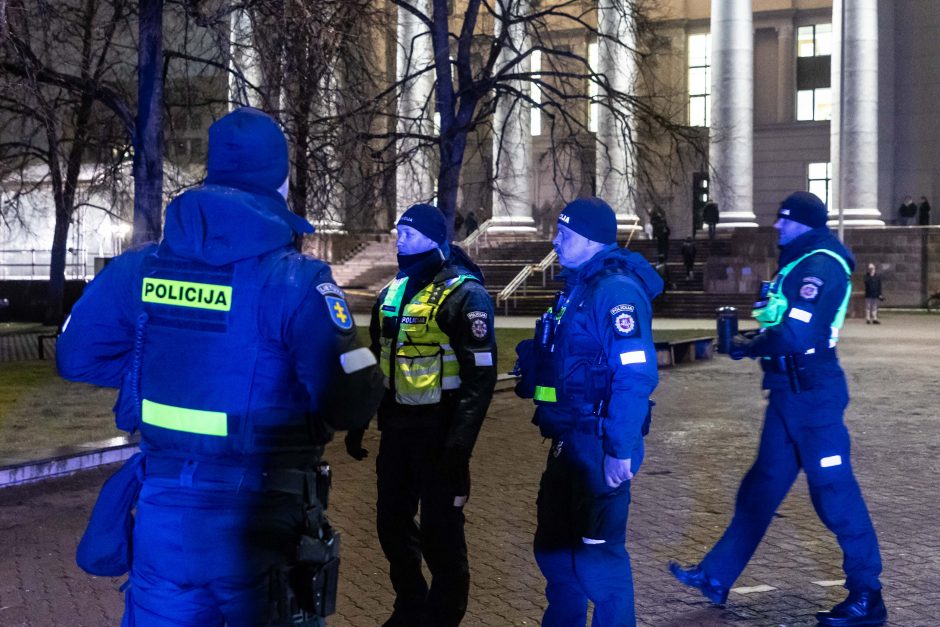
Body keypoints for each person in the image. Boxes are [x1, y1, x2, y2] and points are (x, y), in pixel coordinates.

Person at [57, 107, 384, 626]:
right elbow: (353, 400)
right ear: (280, 180)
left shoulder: (141, 267)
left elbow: (76, 356)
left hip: (164, 515)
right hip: (262, 521)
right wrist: (367, 359)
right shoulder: (297, 281)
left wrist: (165, 364)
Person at [669, 191, 886, 627]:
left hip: (813, 397)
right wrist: (756, 341)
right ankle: (716, 575)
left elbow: (796, 335)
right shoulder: (799, 263)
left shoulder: (821, 265)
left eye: (785, 220)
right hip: (788, 392)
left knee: (834, 494)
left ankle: (868, 595)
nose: (779, 227)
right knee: (760, 489)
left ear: (804, 224)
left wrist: (751, 346)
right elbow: (780, 322)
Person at [344, 203, 497, 626]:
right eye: (399, 233)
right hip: (397, 432)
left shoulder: (465, 294)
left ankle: (443, 617)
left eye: (409, 234)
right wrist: (360, 420)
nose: (400, 241)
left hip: (440, 432)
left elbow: (479, 380)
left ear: (434, 239)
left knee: (441, 535)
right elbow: (379, 360)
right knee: (391, 523)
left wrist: (459, 446)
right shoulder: (392, 291)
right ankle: (411, 604)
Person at [515, 197, 663, 626]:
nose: (555, 240)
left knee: (599, 561)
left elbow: (634, 375)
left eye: (563, 233)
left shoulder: (615, 290)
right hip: (569, 440)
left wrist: (621, 447)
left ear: (590, 239)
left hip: (600, 445)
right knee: (557, 552)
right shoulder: (579, 286)